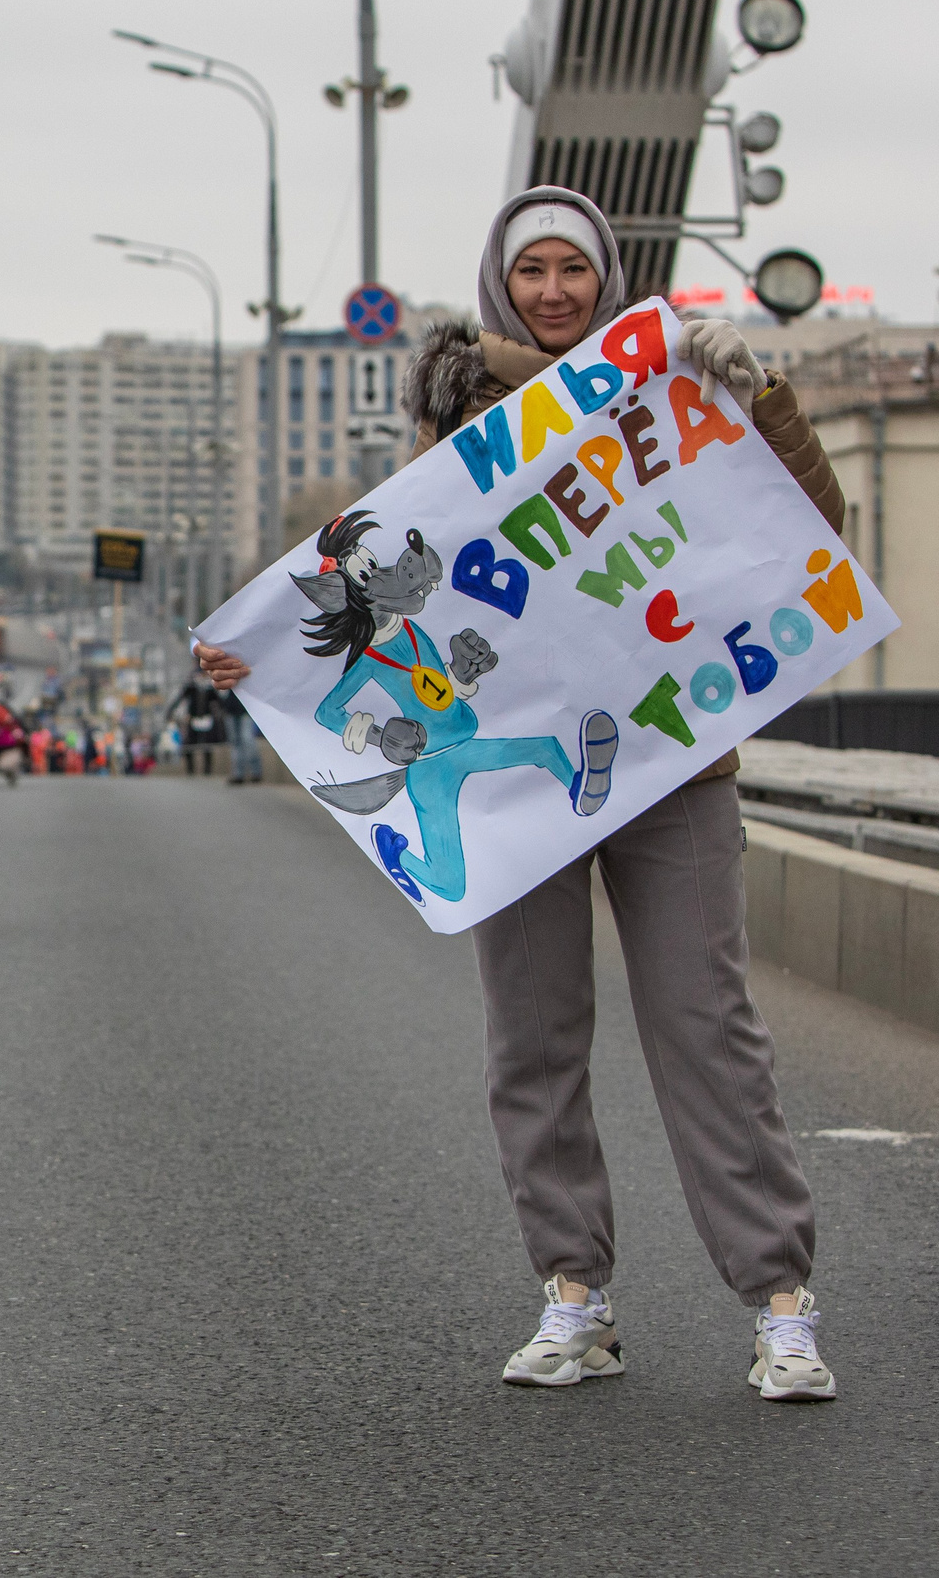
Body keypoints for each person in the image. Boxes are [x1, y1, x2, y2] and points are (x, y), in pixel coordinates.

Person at [197, 184, 844, 1402]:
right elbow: (381, 586)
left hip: (669, 758)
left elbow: (809, 525)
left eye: (576, 270)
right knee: (534, 1038)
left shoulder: (673, 391)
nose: (555, 291)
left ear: (608, 279)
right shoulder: (458, 437)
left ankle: (779, 1302)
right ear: (503, 283)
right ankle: (573, 1295)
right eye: (532, 270)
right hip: (509, 794)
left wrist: (760, 397)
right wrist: (258, 652)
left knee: (709, 1032)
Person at [167, 675, 225, 776]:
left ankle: (207, 770)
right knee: (189, 744)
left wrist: (222, 711)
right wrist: (170, 711)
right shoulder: (191, 685)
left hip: (206, 719)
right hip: (193, 719)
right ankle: (190, 770)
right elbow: (181, 697)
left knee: (207, 745)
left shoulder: (210, 687)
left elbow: (219, 701)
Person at [221, 687, 262, 785]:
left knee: (247, 739)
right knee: (235, 742)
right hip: (231, 709)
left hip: (245, 709)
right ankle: (238, 774)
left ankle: (255, 772)